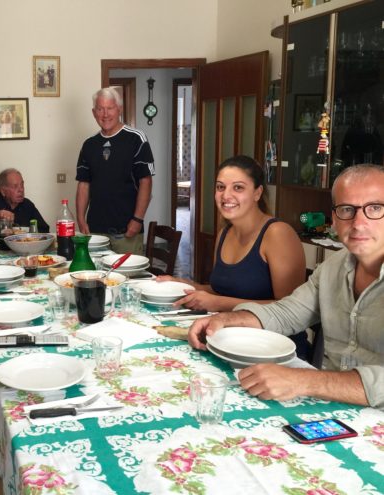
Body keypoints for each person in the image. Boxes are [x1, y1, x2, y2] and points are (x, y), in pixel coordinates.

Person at [188, 163, 384, 410]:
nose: (358, 222)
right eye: (347, 209)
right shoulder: (333, 269)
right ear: (334, 218)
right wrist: (228, 320)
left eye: (375, 208)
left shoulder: (278, 233)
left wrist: (303, 380)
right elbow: (287, 312)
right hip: (335, 412)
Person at [157, 155, 307, 355]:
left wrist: (217, 303)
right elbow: (224, 289)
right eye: (220, 187)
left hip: (274, 349)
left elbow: (290, 309)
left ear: (257, 193)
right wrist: (183, 285)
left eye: (238, 187)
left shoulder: (278, 233)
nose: (226, 195)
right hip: (230, 340)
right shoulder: (225, 233)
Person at [76, 87, 155, 255]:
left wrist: (137, 220)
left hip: (126, 231)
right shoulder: (89, 145)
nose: (105, 114)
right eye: (100, 109)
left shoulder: (136, 138)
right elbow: (84, 184)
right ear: (93, 112)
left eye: (110, 108)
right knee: (96, 279)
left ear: (119, 109)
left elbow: (145, 181)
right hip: (95, 231)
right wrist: (81, 219)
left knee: (129, 280)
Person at [0, 168, 50, 237]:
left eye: (22, 185)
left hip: (23, 249)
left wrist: (28, 234)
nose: (21, 190)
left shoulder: (27, 204)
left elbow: (44, 229)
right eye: (15, 186)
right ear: (3, 191)